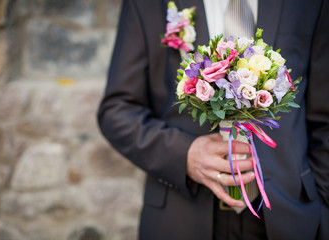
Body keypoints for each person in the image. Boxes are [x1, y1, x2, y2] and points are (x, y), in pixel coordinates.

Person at [97, 0, 329, 239]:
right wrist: (184, 154)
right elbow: (117, 110)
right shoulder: (147, 5)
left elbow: (324, 117)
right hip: (181, 215)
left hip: (288, 216)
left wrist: (323, 211)